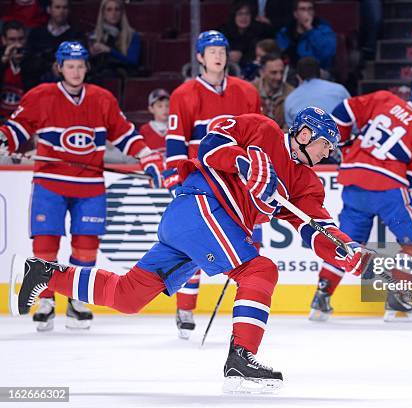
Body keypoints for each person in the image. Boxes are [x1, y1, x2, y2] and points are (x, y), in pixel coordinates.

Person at [10, 108, 367, 393]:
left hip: (201, 228)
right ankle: (241, 356)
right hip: (200, 207)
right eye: (325, 143)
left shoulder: (306, 183)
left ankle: (44, 275)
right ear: (304, 134)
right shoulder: (262, 128)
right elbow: (210, 145)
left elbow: (315, 227)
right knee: (260, 271)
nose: (327, 152)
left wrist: (344, 250)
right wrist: (243, 162)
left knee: (127, 297)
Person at [0, 41, 163, 332]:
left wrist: (146, 156)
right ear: (59, 67)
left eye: (80, 65)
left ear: (87, 67)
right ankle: (46, 300)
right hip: (50, 182)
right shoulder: (42, 96)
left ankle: (77, 301)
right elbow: (17, 128)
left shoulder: (102, 99)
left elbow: (125, 133)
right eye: (70, 65)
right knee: (45, 245)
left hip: (89, 185)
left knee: (86, 248)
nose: (75, 71)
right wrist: (4, 139)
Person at [309, 75, 412, 322]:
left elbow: (342, 111)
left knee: (348, 244)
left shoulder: (384, 98)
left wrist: (342, 141)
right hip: (388, 188)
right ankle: (399, 299)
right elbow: (411, 179)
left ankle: (321, 297)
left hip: (353, 181)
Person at [163, 30, 261, 340]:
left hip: (238, 185)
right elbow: (177, 142)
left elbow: (258, 137)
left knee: (249, 253)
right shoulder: (184, 94)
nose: (218, 55)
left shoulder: (247, 92)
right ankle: (185, 308)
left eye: (222, 49)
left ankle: (243, 318)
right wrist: (176, 179)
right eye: (212, 50)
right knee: (195, 249)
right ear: (200, 57)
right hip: (202, 184)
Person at [23, 0, 84, 88]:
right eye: (57, 7)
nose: (61, 11)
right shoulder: (36, 34)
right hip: (39, 84)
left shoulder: (77, 34)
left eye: (65, 8)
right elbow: (28, 61)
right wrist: (49, 67)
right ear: (49, 9)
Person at [284, 56, 350, 126]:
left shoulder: (290, 99)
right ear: (321, 73)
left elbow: (291, 130)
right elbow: (353, 115)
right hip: (339, 135)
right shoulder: (340, 90)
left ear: (298, 77)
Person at [88, 0, 141, 80]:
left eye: (117, 9)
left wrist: (109, 50)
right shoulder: (94, 36)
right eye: (109, 10)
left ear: (122, 13)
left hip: (121, 76)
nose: (113, 13)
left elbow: (133, 62)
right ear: (103, 13)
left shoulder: (132, 35)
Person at [276, 0, 336, 70]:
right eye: (302, 9)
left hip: (318, 70)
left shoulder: (324, 30)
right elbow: (282, 55)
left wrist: (310, 30)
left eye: (310, 9)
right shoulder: (285, 33)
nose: (307, 13)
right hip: (291, 70)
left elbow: (327, 55)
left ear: (313, 12)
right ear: (295, 14)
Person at [218, 0, 274, 68]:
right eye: (240, 14)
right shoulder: (224, 31)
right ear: (234, 16)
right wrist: (228, 55)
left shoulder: (259, 31)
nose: (244, 17)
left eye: (247, 14)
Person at [251, 53, 293, 130]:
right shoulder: (249, 91)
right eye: (274, 73)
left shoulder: (292, 94)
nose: (279, 77)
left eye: (281, 72)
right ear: (262, 72)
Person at [0, 20, 27, 120]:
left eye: (20, 39)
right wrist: (4, 60)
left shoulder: (34, 62)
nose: (18, 45)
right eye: (12, 40)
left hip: (23, 120)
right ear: (3, 40)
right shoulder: (2, 60)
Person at [139, 88, 169, 153]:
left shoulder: (175, 128)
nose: (164, 109)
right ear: (151, 109)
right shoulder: (144, 130)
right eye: (160, 106)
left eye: (167, 106)